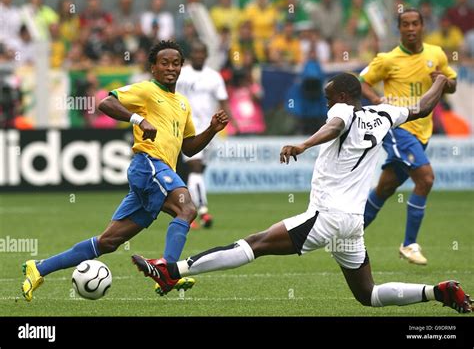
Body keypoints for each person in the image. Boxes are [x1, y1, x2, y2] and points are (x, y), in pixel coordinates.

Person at [130, 73, 471, 314]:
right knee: (368, 295)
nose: (326, 105)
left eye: (327, 99)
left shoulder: (342, 109)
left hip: (327, 215)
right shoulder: (384, 114)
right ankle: (436, 292)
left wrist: (304, 144)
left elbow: (334, 125)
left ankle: (172, 270)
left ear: (341, 97)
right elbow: (423, 108)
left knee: (255, 244)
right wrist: (440, 80)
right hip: (352, 222)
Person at [21, 41, 229, 301]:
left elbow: (188, 148)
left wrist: (211, 130)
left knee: (108, 242)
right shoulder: (146, 90)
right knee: (187, 209)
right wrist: (138, 119)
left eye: (176, 63)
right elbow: (106, 103)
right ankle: (168, 271)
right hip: (149, 164)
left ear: (181, 67)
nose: (170, 68)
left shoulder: (182, 104)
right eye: (164, 63)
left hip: (158, 172)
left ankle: (39, 268)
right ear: (153, 68)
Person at [359, 8, 457, 265]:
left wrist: (444, 82)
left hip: (423, 131)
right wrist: (378, 100)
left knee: (385, 187)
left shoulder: (435, 54)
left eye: (415, 23)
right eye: (405, 24)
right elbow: (362, 82)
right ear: (399, 29)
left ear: (423, 26)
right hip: (397, 128)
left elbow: (452, 83)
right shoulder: (387, 59)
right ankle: (409, 244)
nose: (411, 28)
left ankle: (349, 234)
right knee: (426, 178)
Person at [176, 40, 234, 229]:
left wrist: (232, 122)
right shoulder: (181, 74)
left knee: (200, 170)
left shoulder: (214, 77)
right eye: (196, 52)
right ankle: (202, 211)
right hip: (188, 129)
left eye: (202, 53)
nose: (199, 55)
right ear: (191, 55)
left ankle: (188, 210)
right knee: (196, 167)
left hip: (211, 129)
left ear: (206, 55)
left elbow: (223, 101)